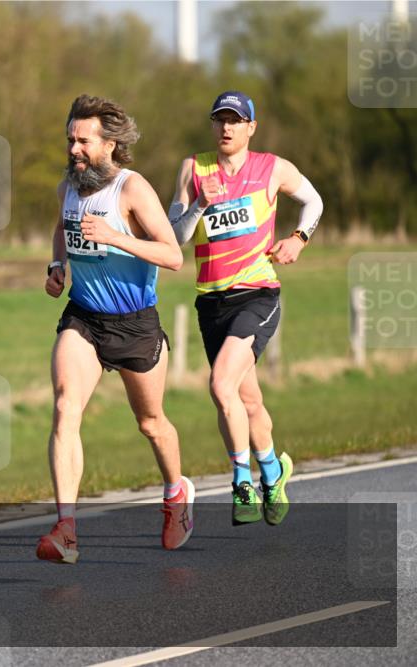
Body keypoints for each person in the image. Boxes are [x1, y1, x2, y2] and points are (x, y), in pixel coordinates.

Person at [36, 94, 193, 565]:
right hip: (84, 317)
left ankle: (176, 494)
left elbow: (173, 255)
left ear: (108, 144)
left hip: (135, 324)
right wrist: (57, 265)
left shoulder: (131, 188)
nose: (73, 149)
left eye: (83, 141)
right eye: (70, 140)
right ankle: (66, 529)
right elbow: (62, 231)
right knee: (65, 406)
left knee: (151, 423)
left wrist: (116, 238)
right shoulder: (69, 187)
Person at [168, 91, 323, 527]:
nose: (226, 128)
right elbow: (174, 238)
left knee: (220, 386)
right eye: (220, 119)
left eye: (235, 120)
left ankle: (242, 482)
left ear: (251, 127)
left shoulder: (272, 168)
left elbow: (315, 201)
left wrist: (298, 238)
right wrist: (199, 202)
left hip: (256, 293)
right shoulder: (193, 168)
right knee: (246, 399)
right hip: (211, 300)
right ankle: (274, 472)